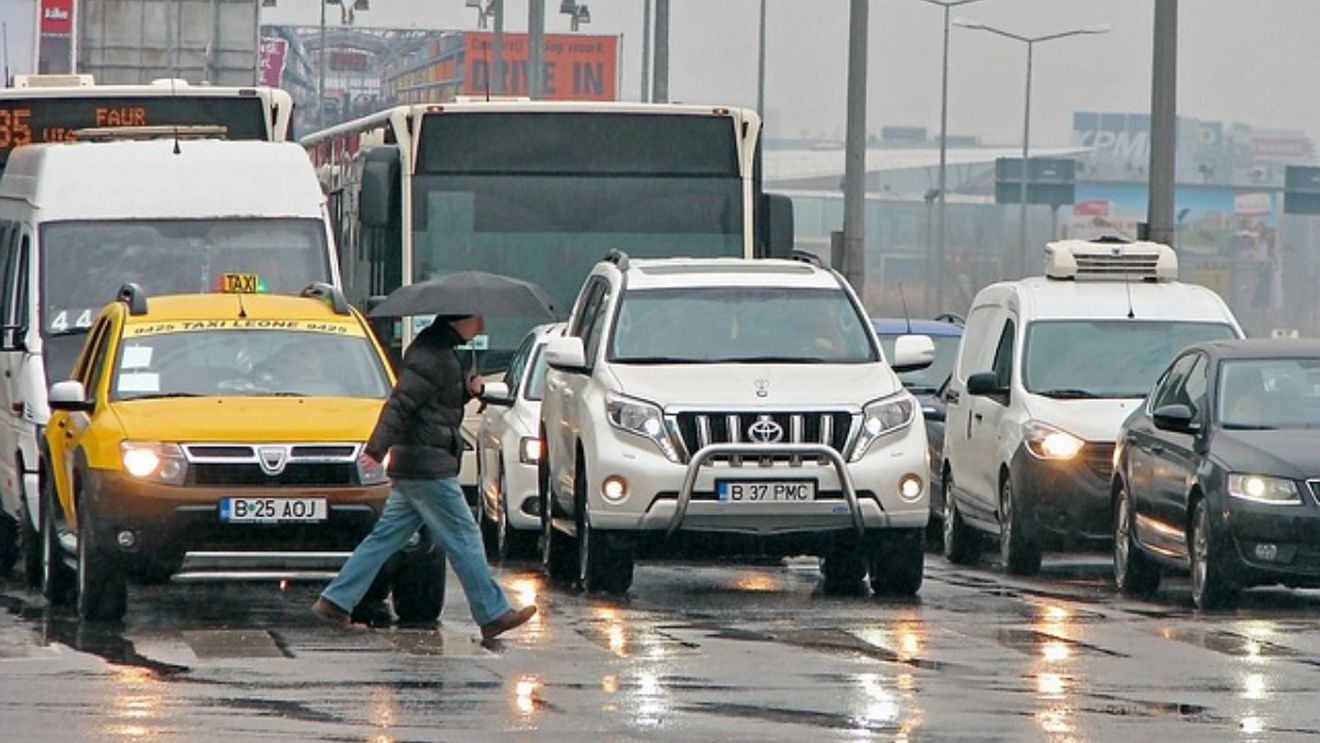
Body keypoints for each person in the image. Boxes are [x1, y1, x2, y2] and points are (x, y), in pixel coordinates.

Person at [312, 314, 537, 642]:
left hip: (418, 462)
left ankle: (334, 601)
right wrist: (375, 448)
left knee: (385, 539)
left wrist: (470, 390)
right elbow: (400, 404)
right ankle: (492, 614)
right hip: (426, 465)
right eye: (478, 319)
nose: (483, 326)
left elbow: (432, 404)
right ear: (460, 320)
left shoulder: (439, 353)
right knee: (465, 536)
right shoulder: (432, 357)